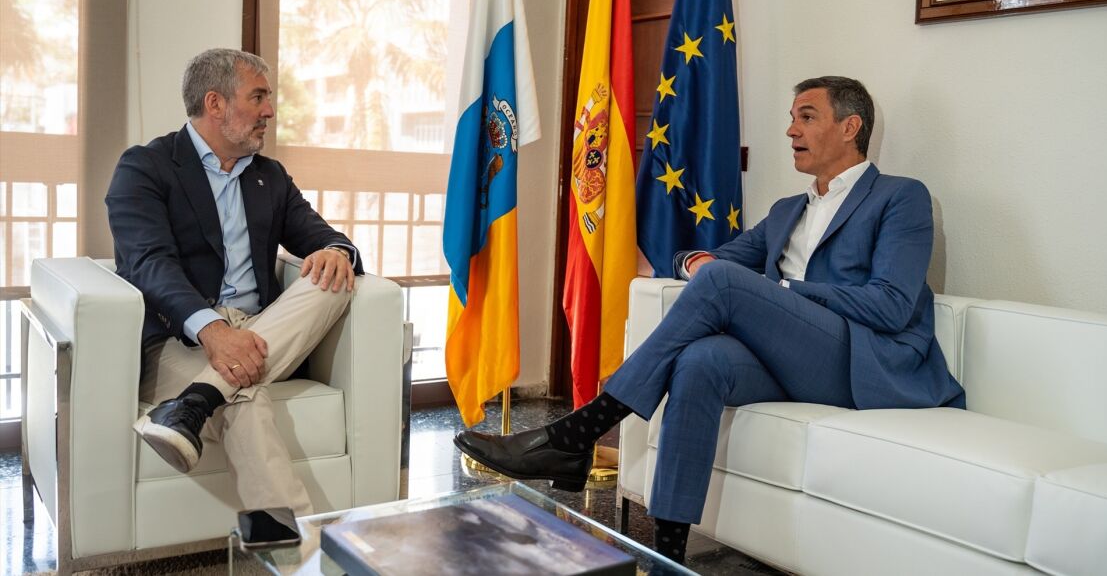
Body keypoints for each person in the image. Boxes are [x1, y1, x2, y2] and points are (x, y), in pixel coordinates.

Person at [454, 76, 965, 562]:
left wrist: (783, 292)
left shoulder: (900, 196)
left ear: (851, 127)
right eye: (791, 118)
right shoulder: (788, 210)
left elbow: (891, 305)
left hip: (860, 362)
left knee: (724, 284)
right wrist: (694, 262)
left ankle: (579, 431)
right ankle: (668, 556)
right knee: (700, 362)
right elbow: (706, 261)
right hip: (792, 363)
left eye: (807, 117)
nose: (791, 130)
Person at [106, 48, 362, 516]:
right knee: (243, 397)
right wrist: (213, 330)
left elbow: (324, 237)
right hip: (177, 340)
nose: (270, 111)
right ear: (215, 103)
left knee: (335, 277)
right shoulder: (145, 167)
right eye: (258, 97)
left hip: (263, 327)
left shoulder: (270, 176)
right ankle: (297, 547)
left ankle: (197, 400)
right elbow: (148, 263)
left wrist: (334, 251)